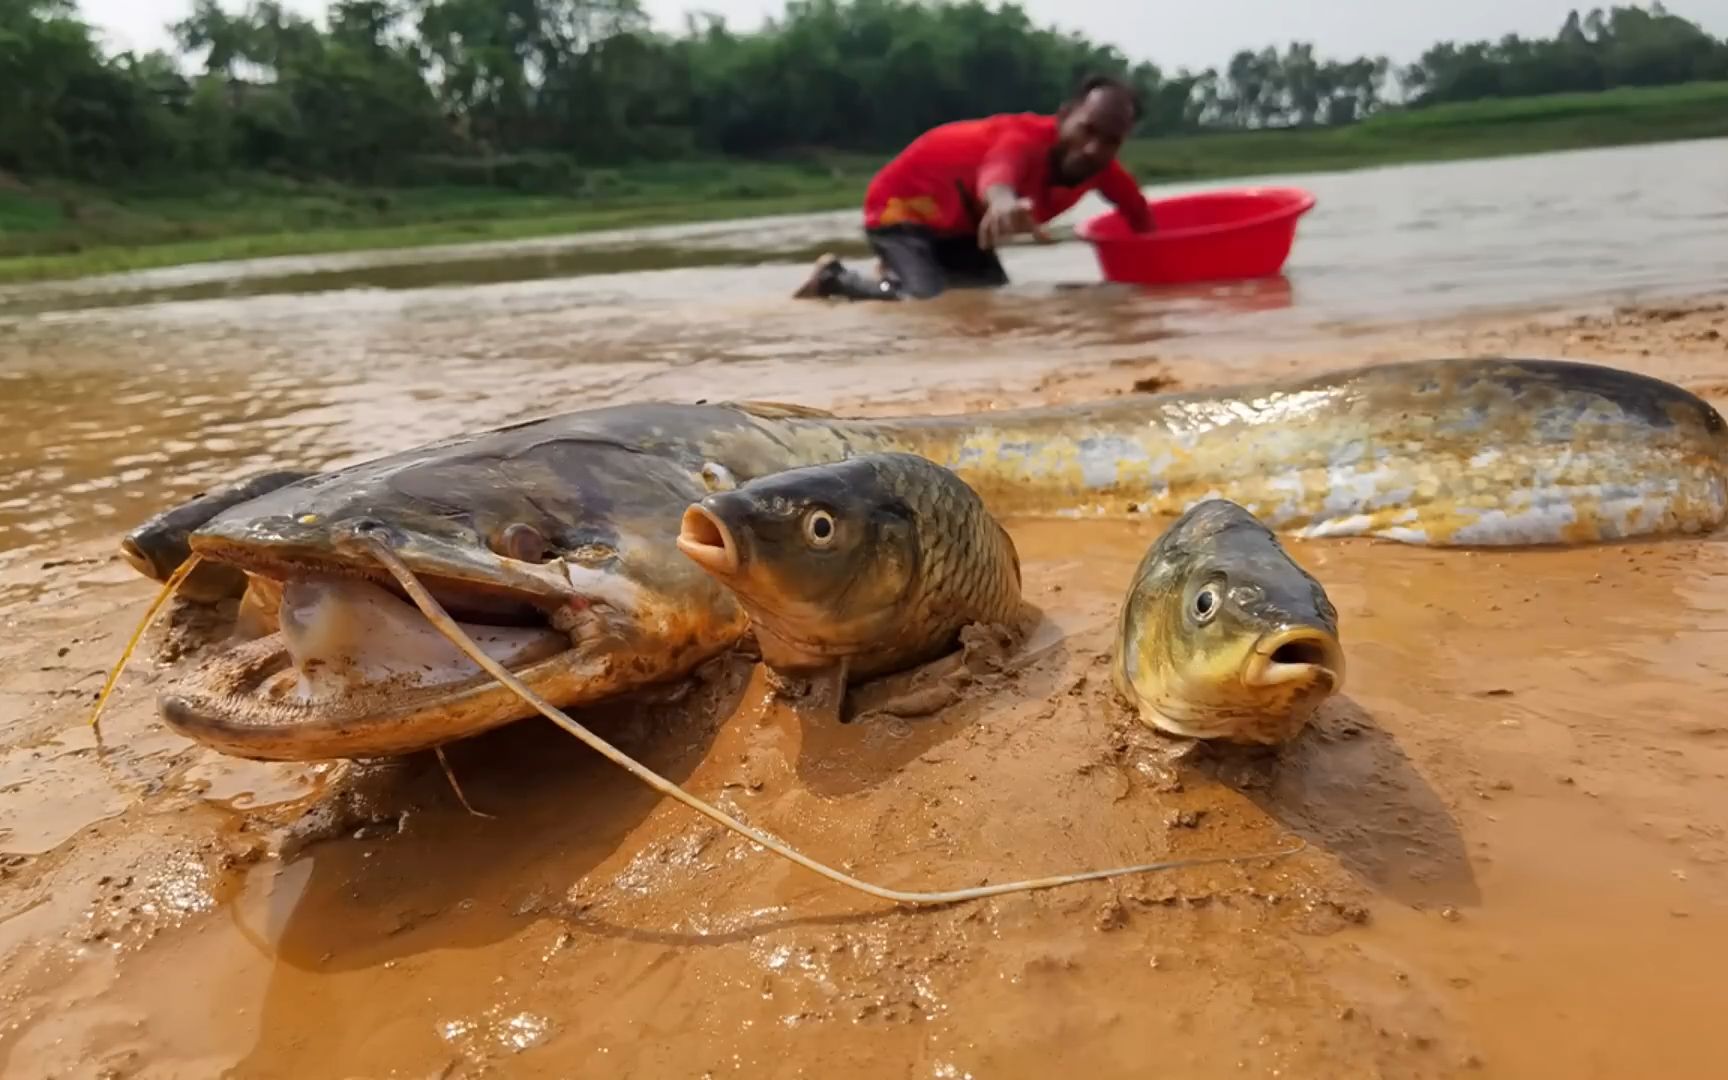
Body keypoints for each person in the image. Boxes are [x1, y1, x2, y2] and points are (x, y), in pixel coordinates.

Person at [793, 74, 1156, 302]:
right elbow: (999, 171)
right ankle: (835, 279)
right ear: (1064, 117)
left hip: (962, 226)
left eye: (1110, 140)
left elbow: (1141, 218)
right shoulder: (1023, 138)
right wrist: (1001, 202)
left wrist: (1167, 276)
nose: (1093, 148)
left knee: (989, 301)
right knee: (925, 301)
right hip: (902, 207)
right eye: (1087, 130)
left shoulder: (1103, 169)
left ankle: (896, 271)